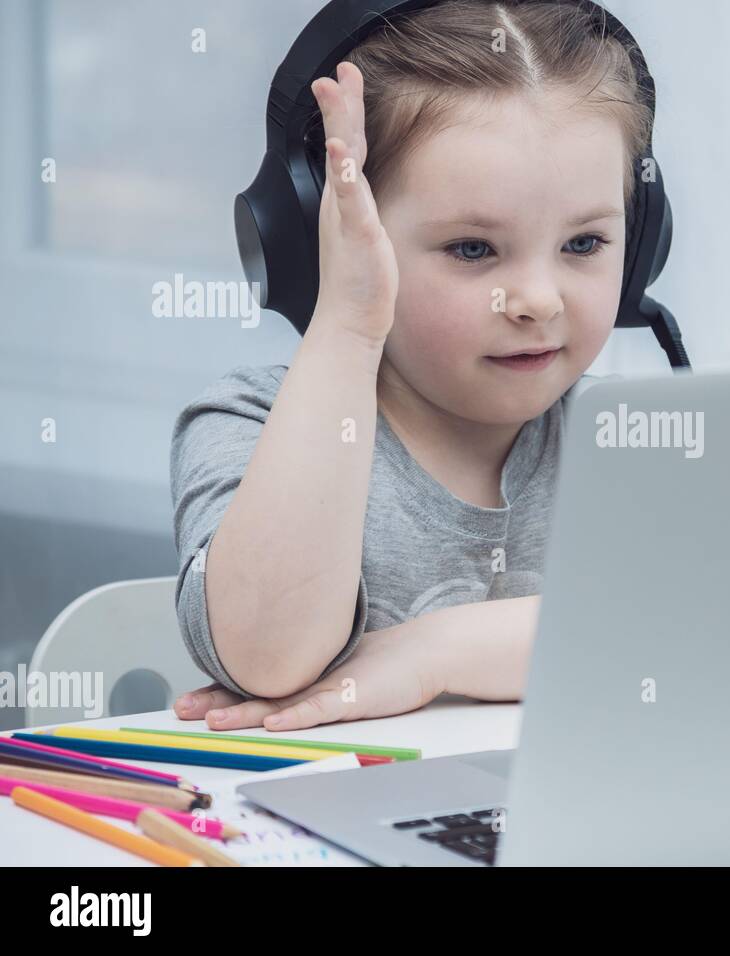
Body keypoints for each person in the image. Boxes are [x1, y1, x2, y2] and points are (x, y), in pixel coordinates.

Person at [169, 1, 649, 731]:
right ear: (319, 240)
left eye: (583, 245)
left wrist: (434, 652)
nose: (538, 299)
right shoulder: (249, 422)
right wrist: (348, 320)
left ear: (644, 238)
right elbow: (269, 656)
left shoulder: (633, 442)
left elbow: (727, 629)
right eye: (472, 249)